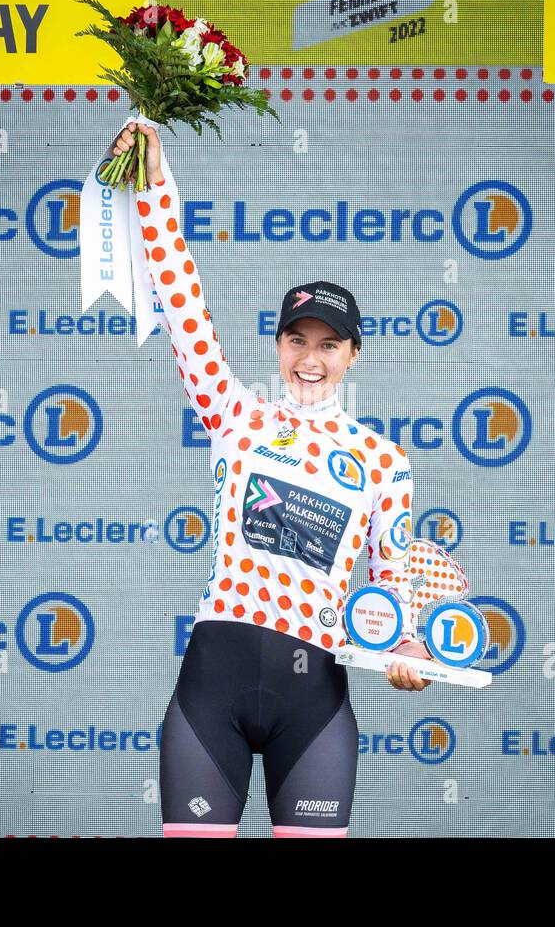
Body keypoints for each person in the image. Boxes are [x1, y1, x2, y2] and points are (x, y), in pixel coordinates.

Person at [108, 120, 433, 838]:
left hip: (313, 696)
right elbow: (181, 302)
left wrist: (409, 651)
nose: (310, 359)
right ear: (278, 345)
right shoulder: (235, 413)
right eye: (296, 341)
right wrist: (155, 181)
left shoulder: (384, 460)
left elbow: (392, 587)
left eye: (328, 345)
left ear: (354, 355)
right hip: (213, 681)